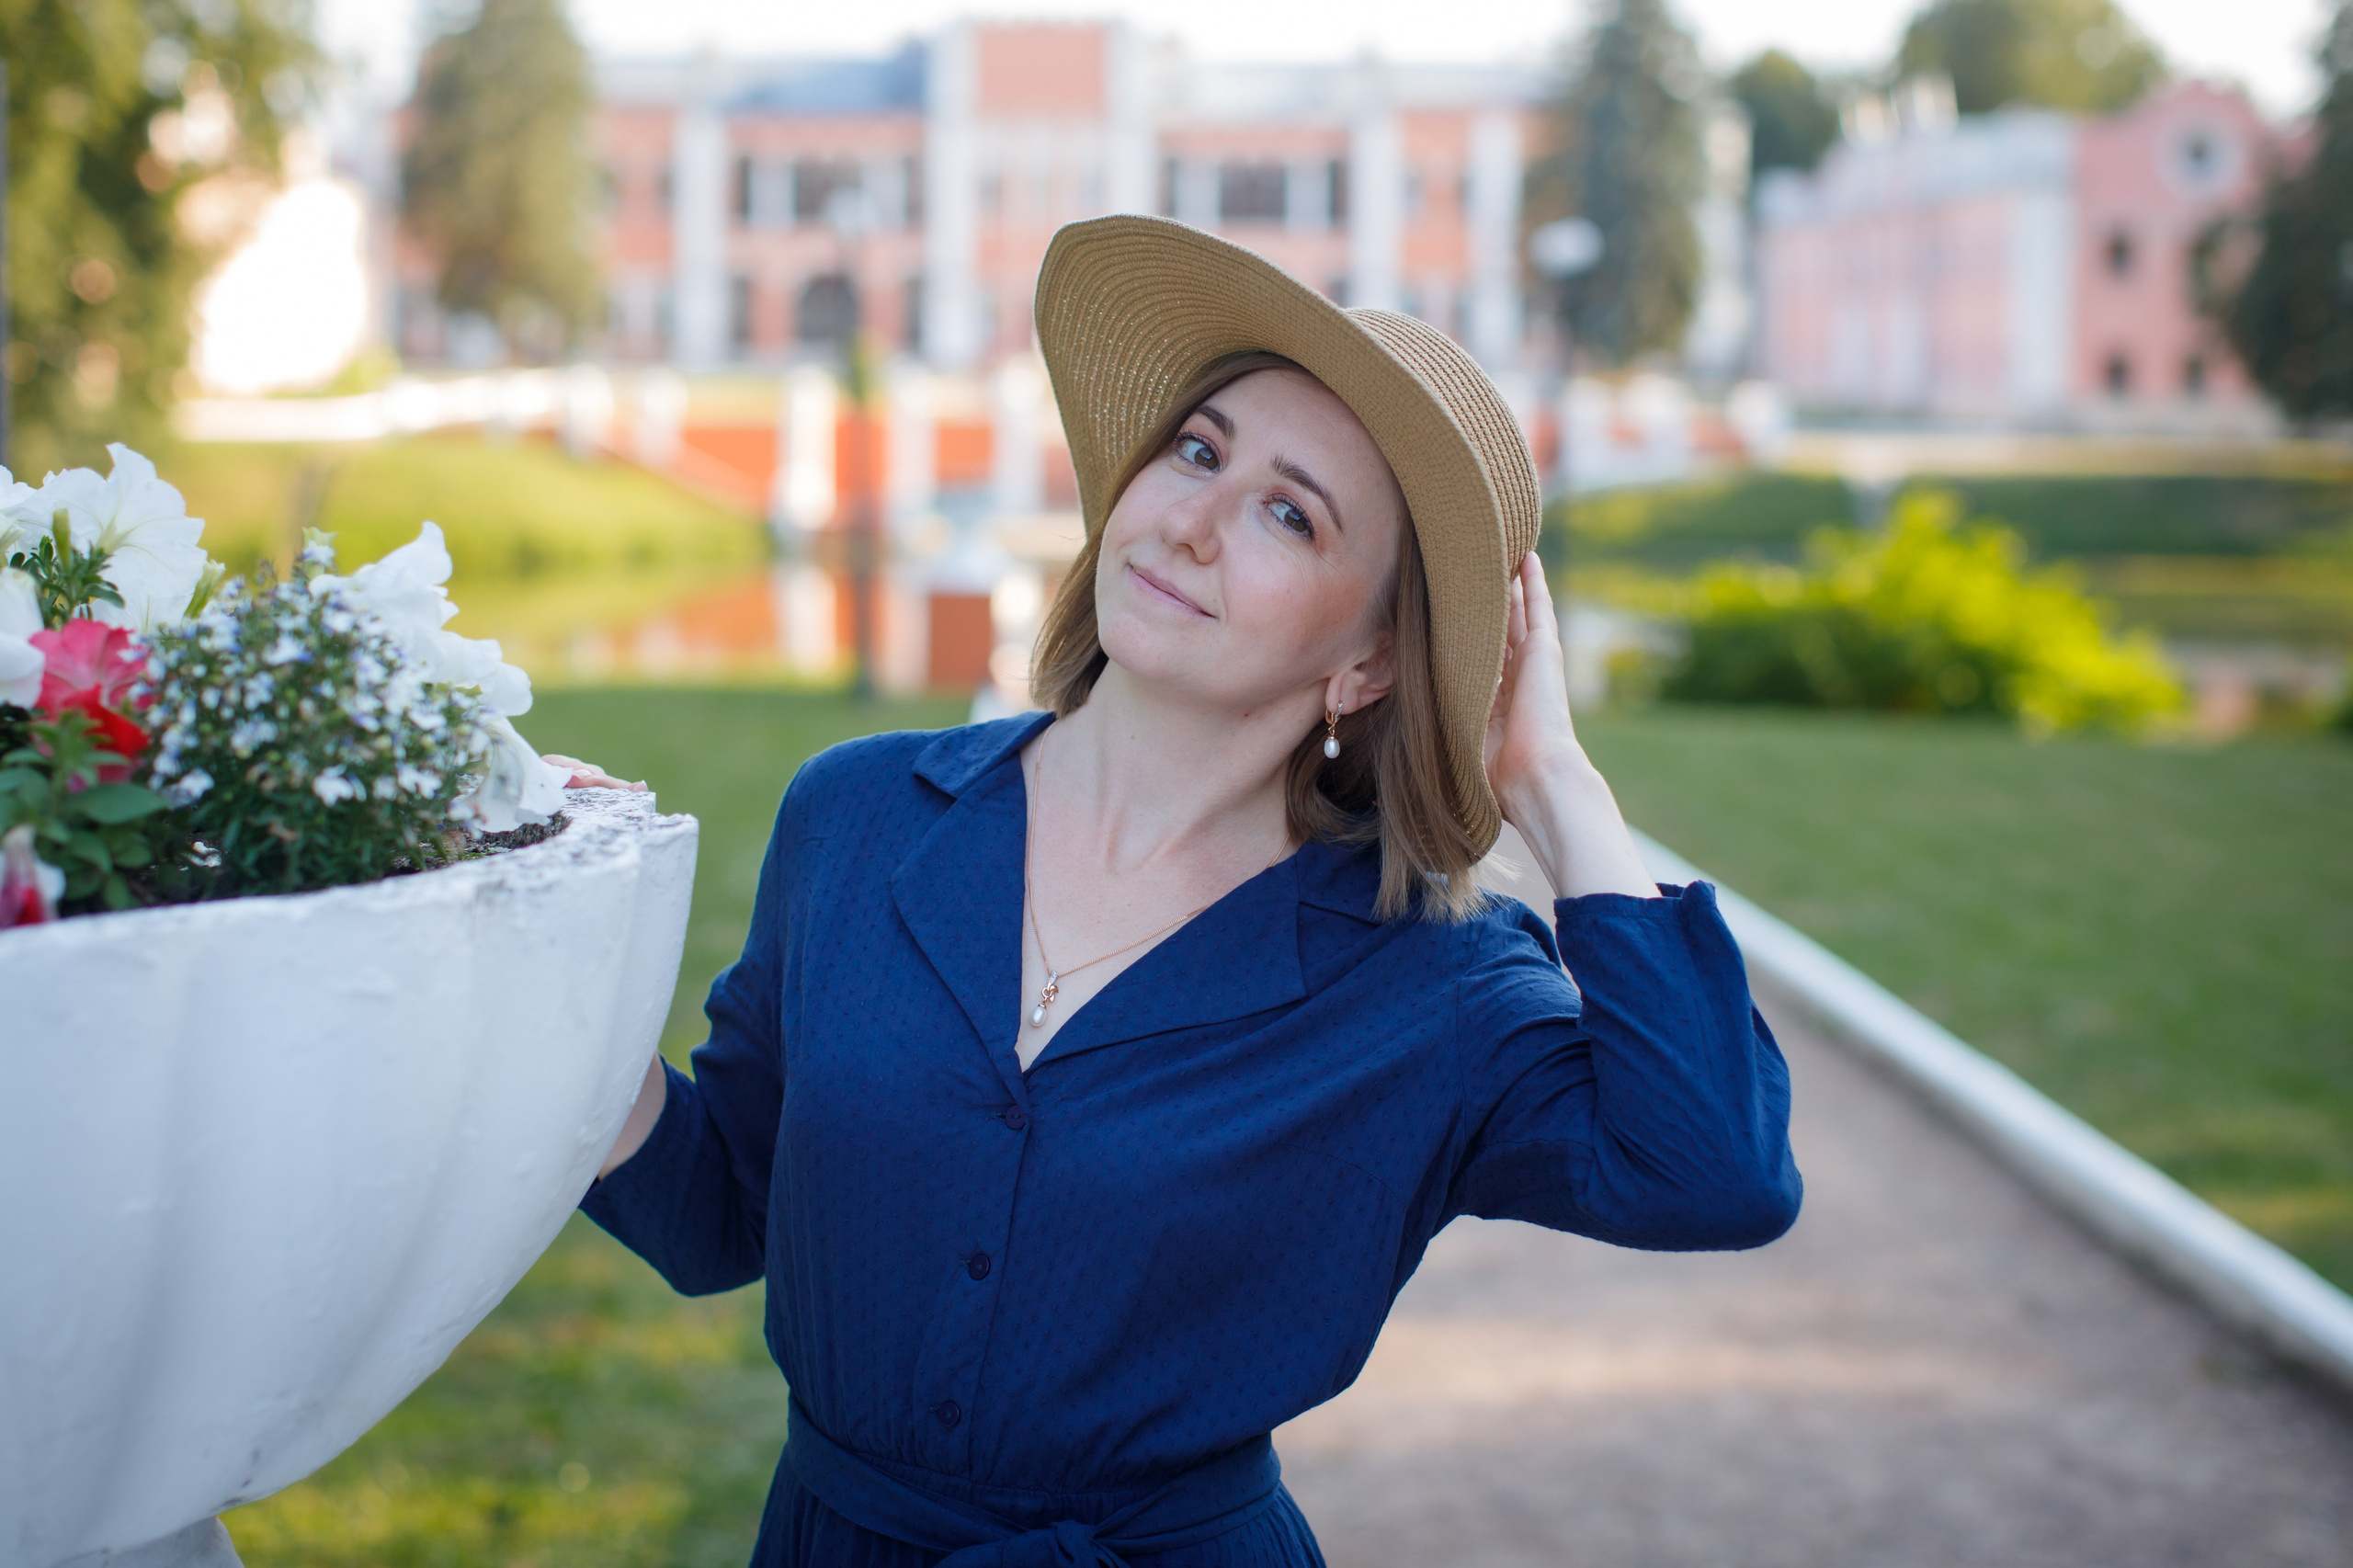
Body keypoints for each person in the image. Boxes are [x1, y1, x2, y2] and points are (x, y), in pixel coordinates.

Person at [576, 216, 1801, 1568]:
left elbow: (1718, 1168)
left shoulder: (1429, 986)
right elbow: (717, 1212)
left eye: (1291, 512)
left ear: (1370, 662)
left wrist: (1556, 779)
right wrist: (537, 967)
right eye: (1198, 450)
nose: (1198, 521)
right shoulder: (856, 817)